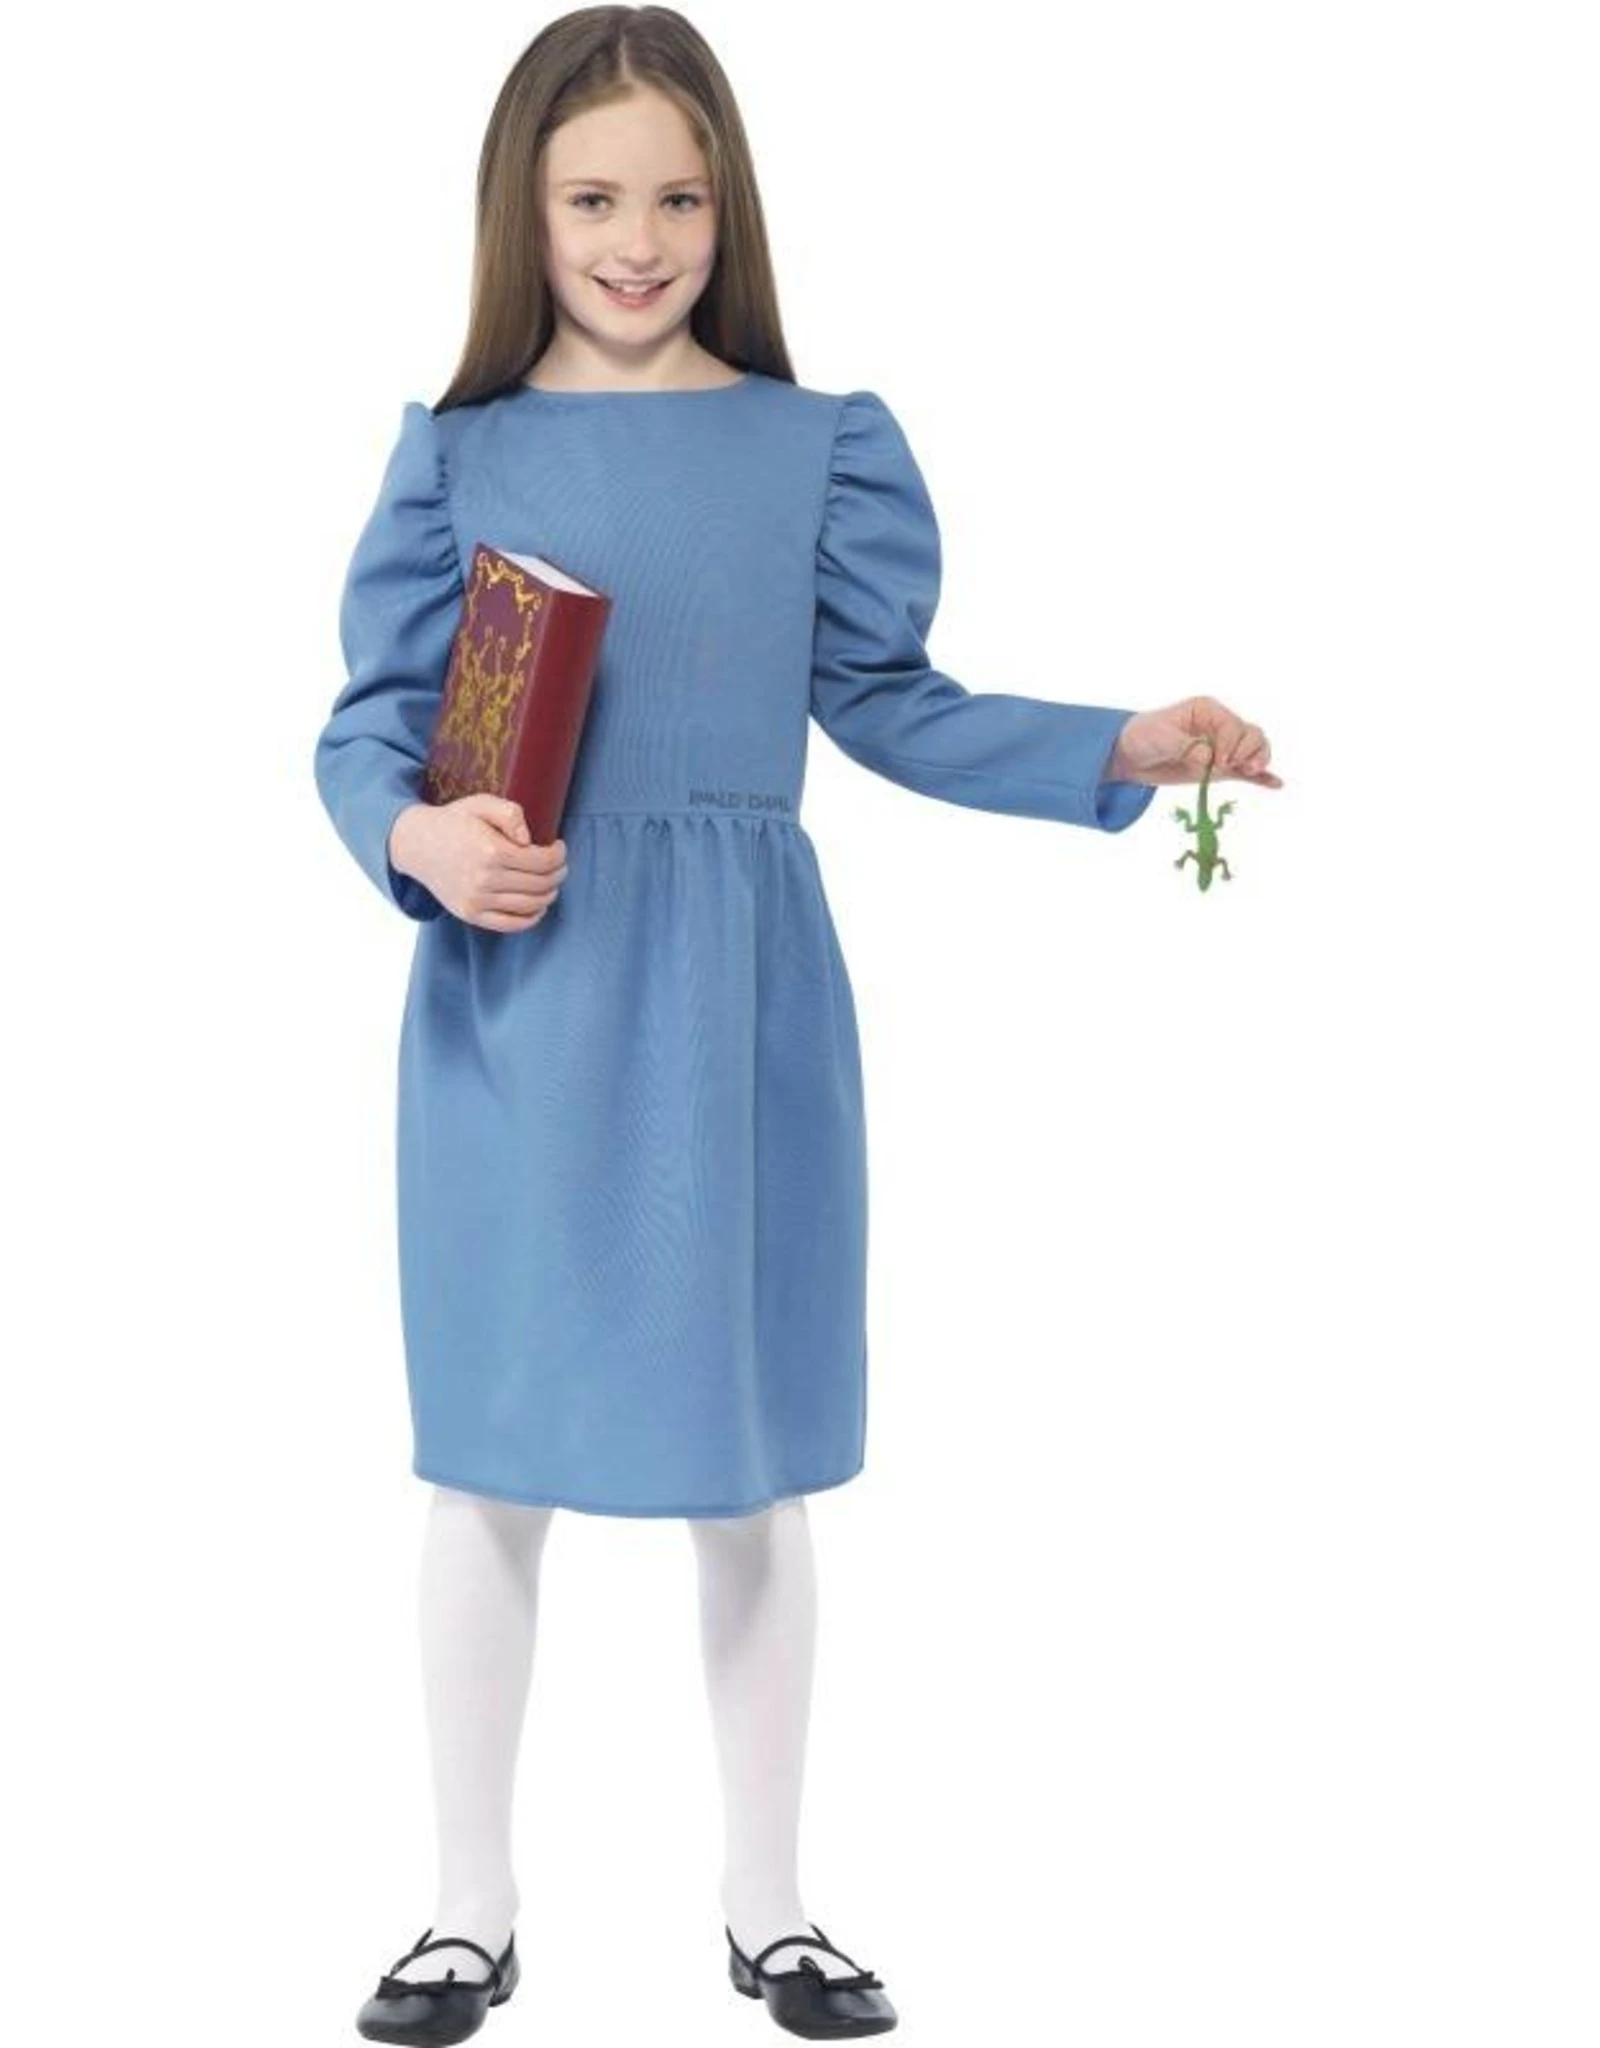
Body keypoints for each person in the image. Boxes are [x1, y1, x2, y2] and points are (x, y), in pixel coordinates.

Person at [312, 9, 1283, 2042]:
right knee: (489, 1457)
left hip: (732, 1005)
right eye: (592, 198)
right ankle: (466, 1907)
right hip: (517, 993)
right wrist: (418, 835)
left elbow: (895, 705)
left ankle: (772, 1905)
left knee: (749, 1464)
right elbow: (372, 729)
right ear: (521, 213)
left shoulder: (812, 442)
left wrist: (1116, 744)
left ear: (728, 209)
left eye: (678, 198)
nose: (637, 240)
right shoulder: (458, 452)